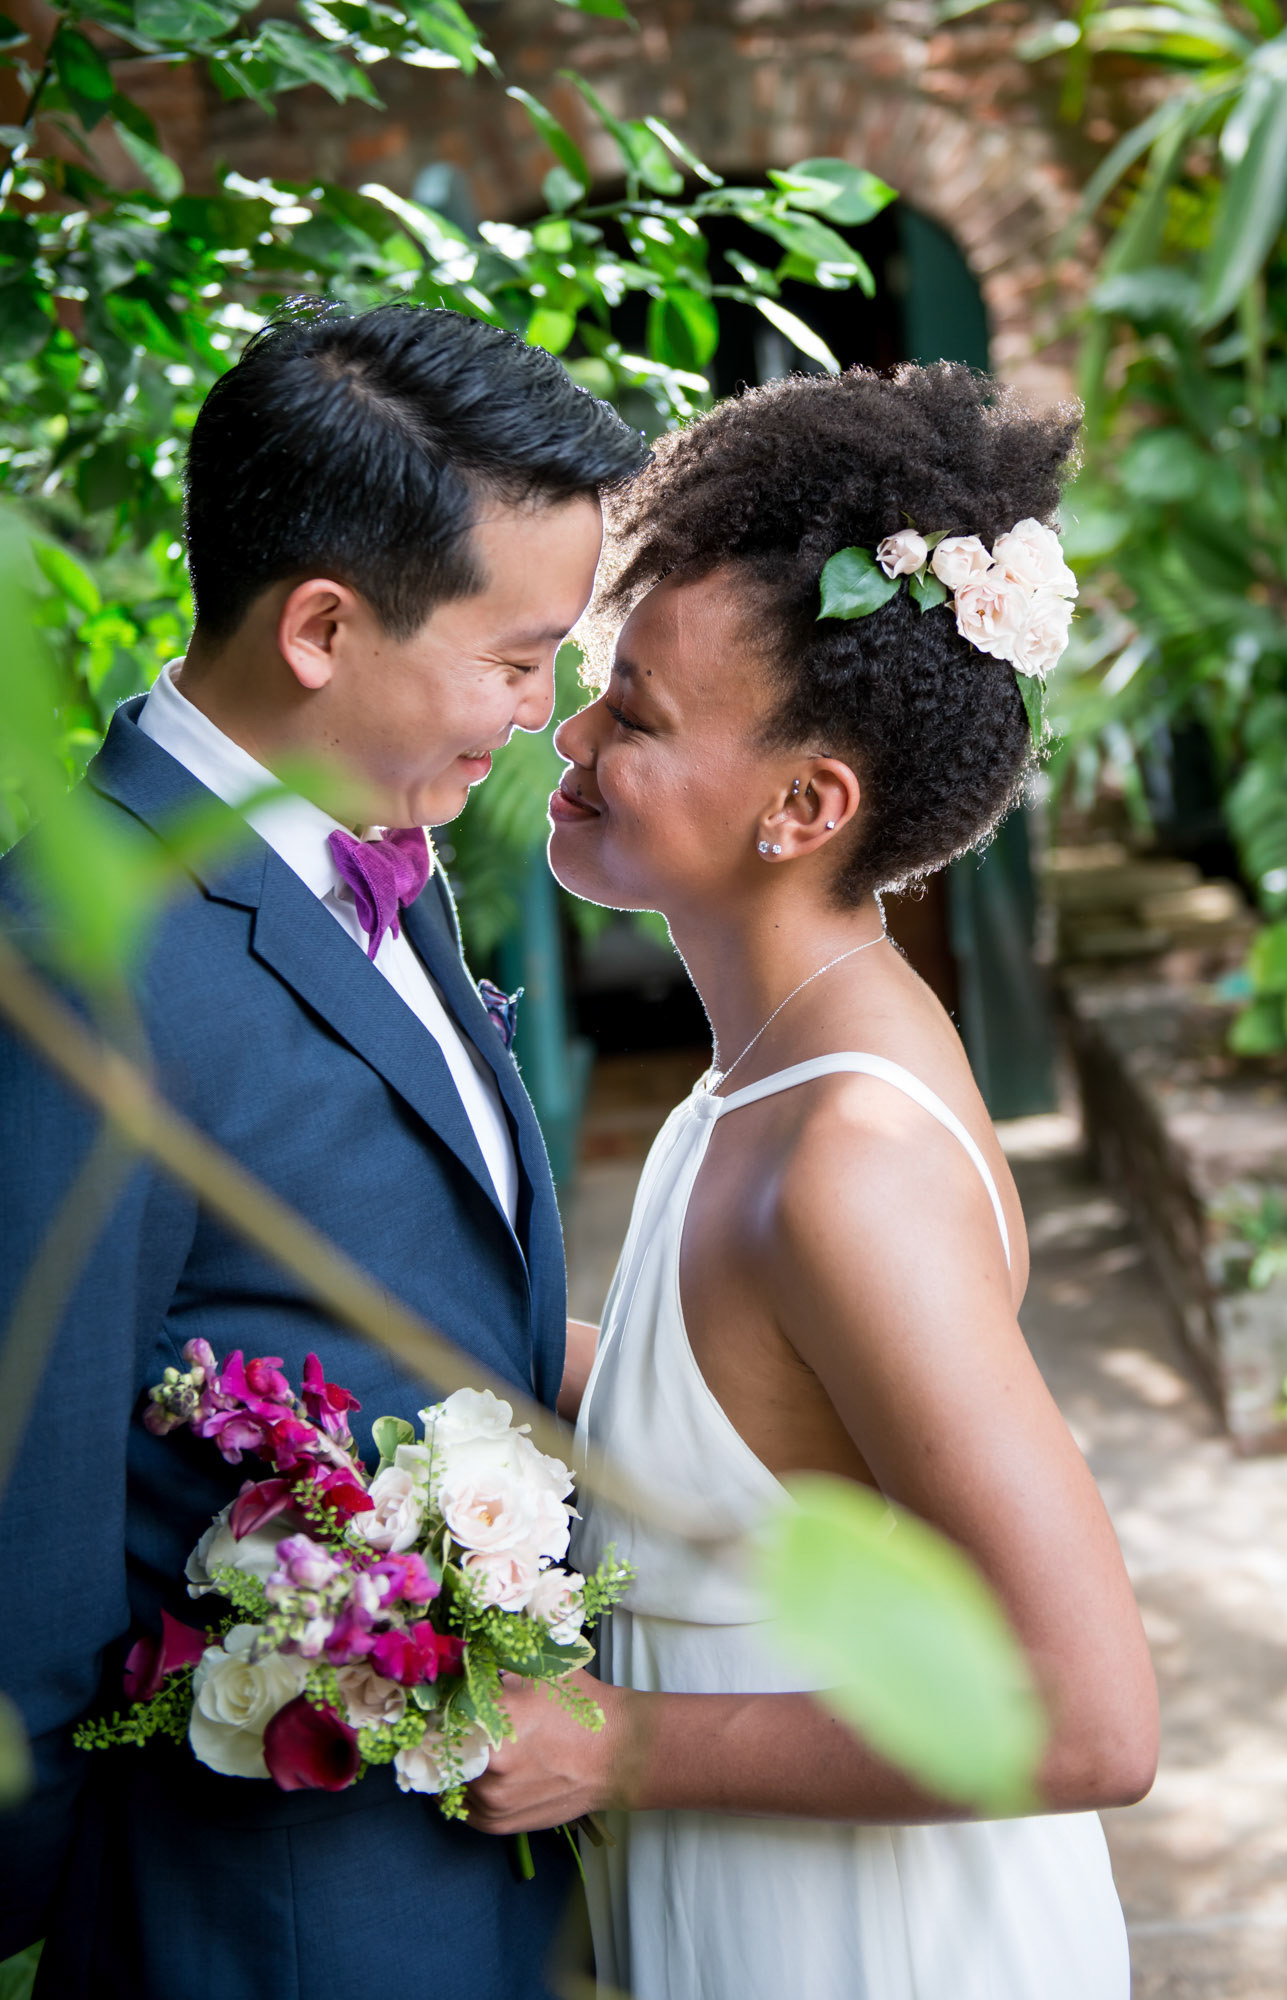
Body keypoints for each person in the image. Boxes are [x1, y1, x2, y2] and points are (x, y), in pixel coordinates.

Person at [465, 362, 1159, 1998]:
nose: (571, 733)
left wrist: (623, 1744)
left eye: (635, 717)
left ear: (805, 805)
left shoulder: (850, 1159)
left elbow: (1090, 1716)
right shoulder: (769, 1065)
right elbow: (740, 1435)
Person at [0, 302, 644, 1999]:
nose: (543, 712)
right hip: (265, 1918)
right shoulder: (82, 965)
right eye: (514, 658)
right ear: (322, 628)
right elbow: (25, 1519)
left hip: (475, 1866)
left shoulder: (373, 845)